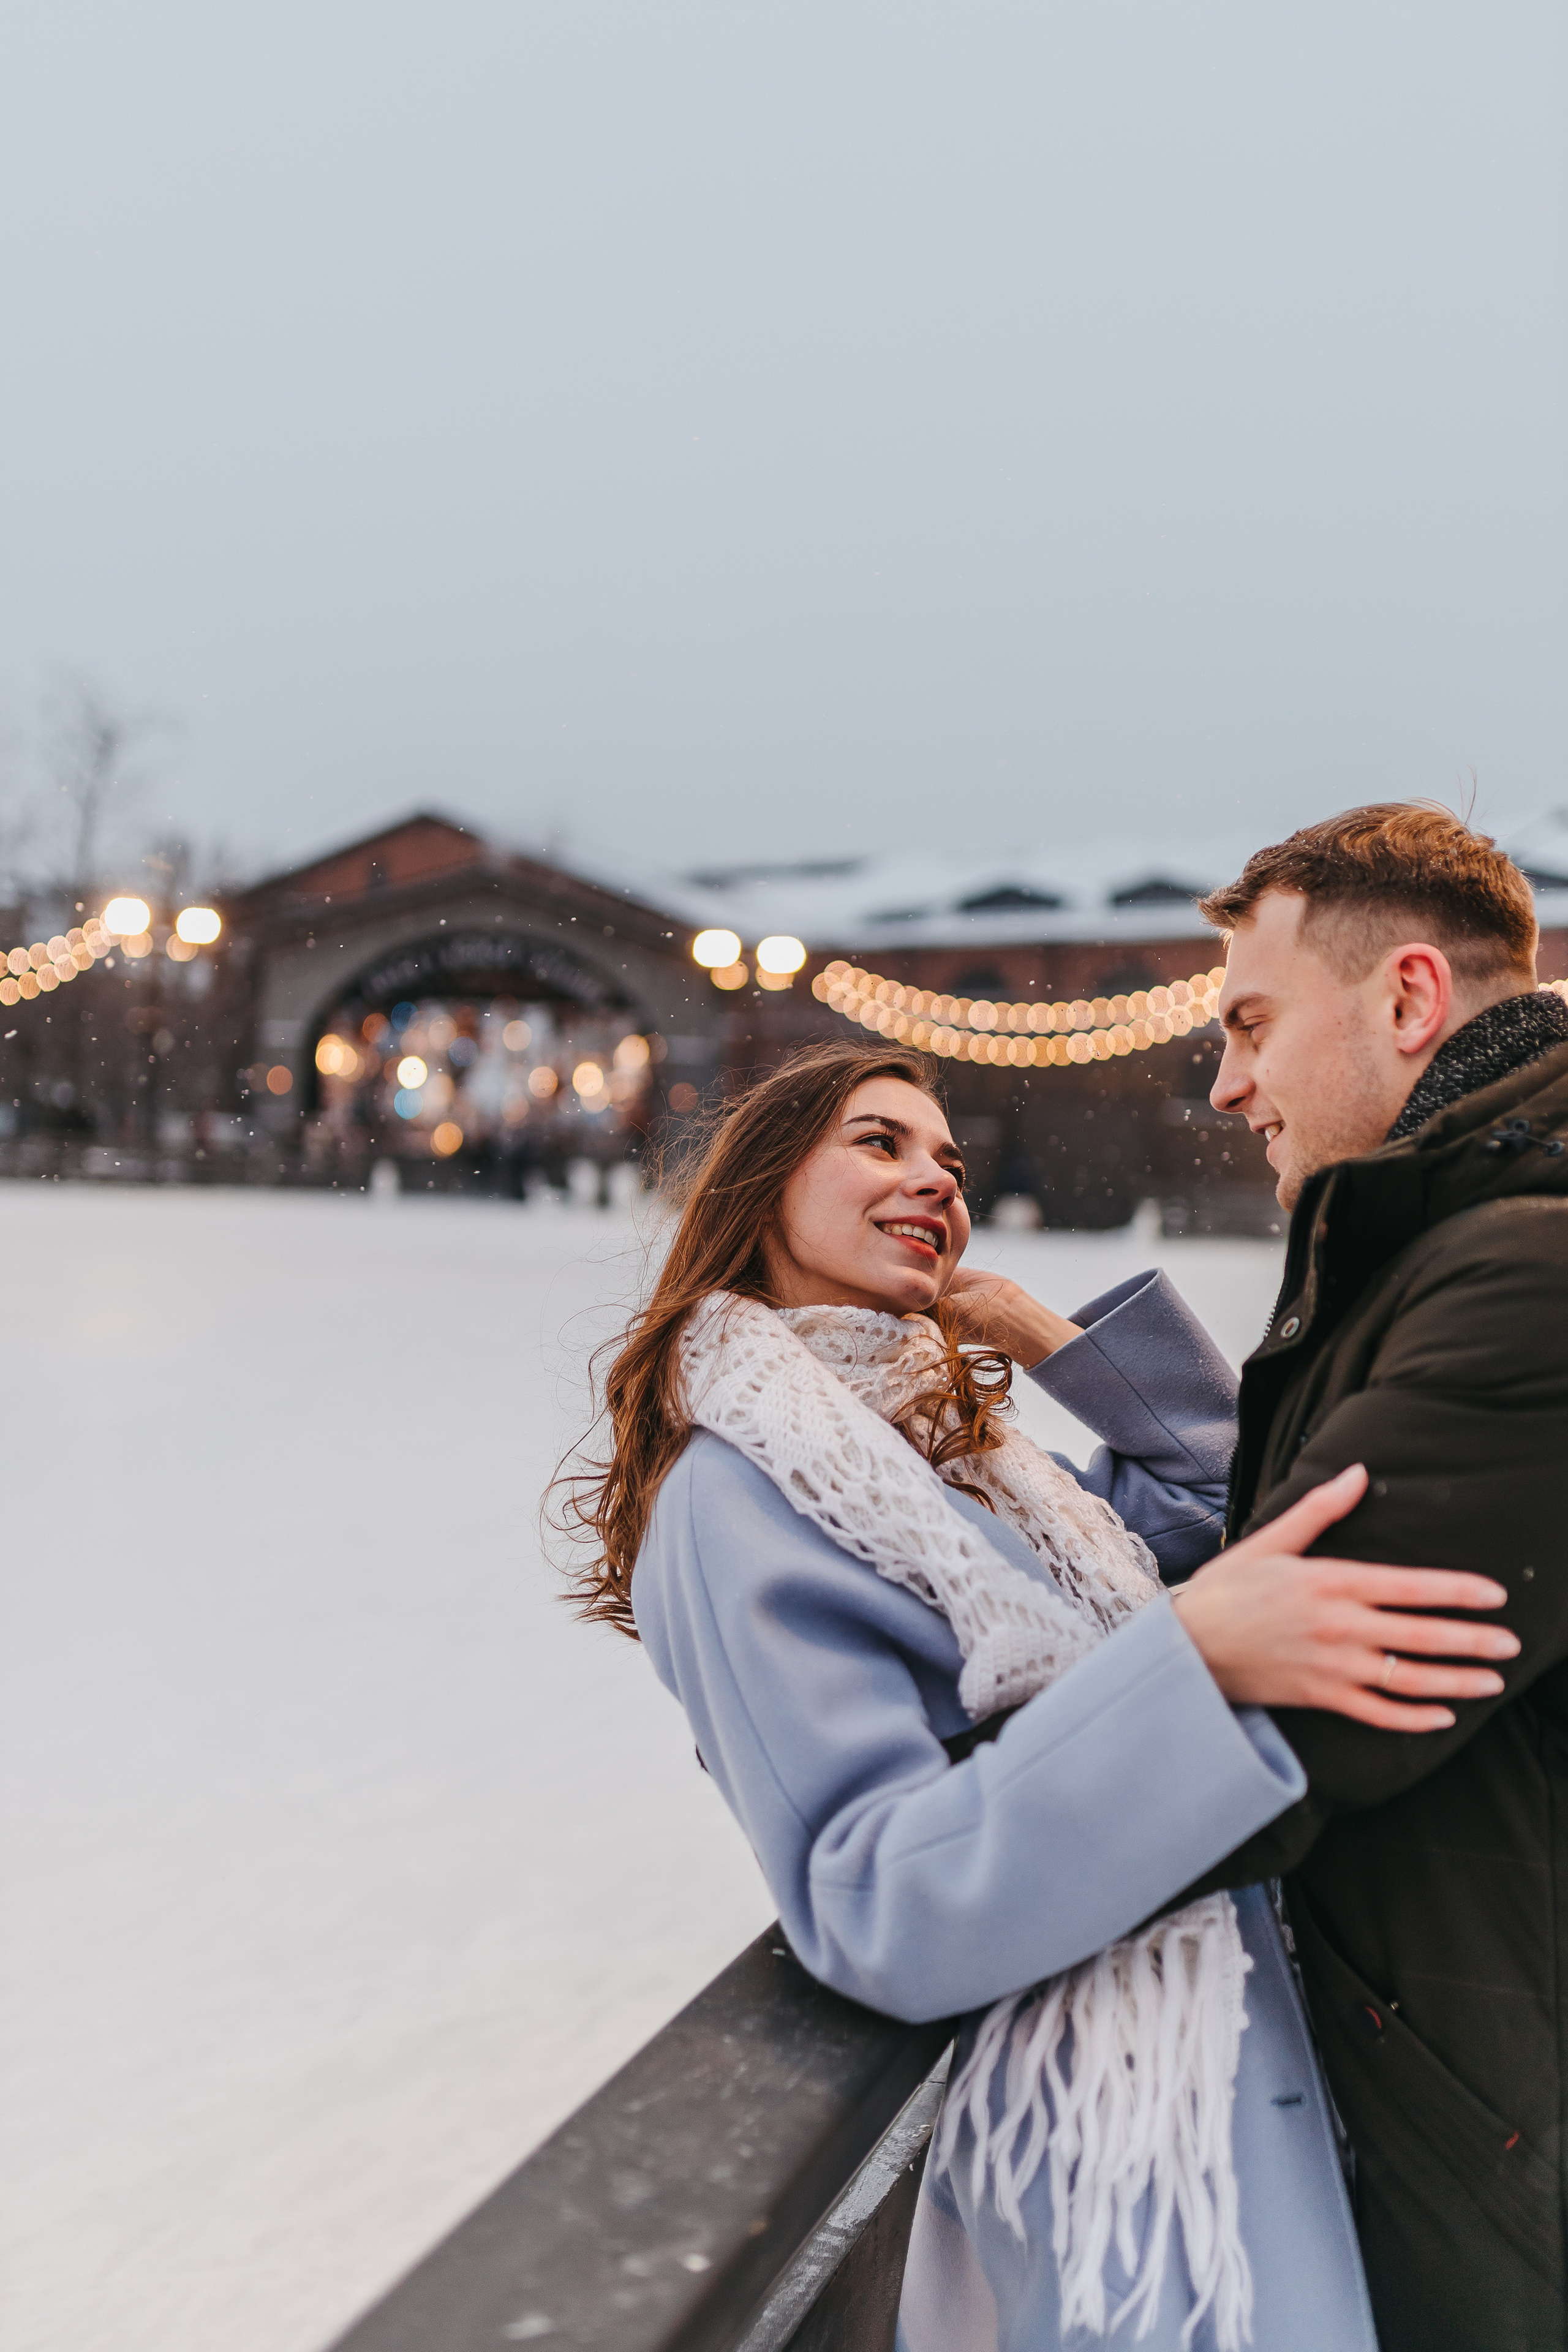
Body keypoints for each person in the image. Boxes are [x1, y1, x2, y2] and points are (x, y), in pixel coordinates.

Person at [560, 1037, 1510, 2350]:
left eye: (947, 1158)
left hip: (1230, 2055)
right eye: (878, 1144)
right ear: (762, 1184)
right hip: (1116, 2156)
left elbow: (1226, 1507)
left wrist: (1026, 1332)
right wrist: (1195, 1670)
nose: (931, 1179)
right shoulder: (735, 1497)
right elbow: (869, 1895)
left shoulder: (966, 1467)